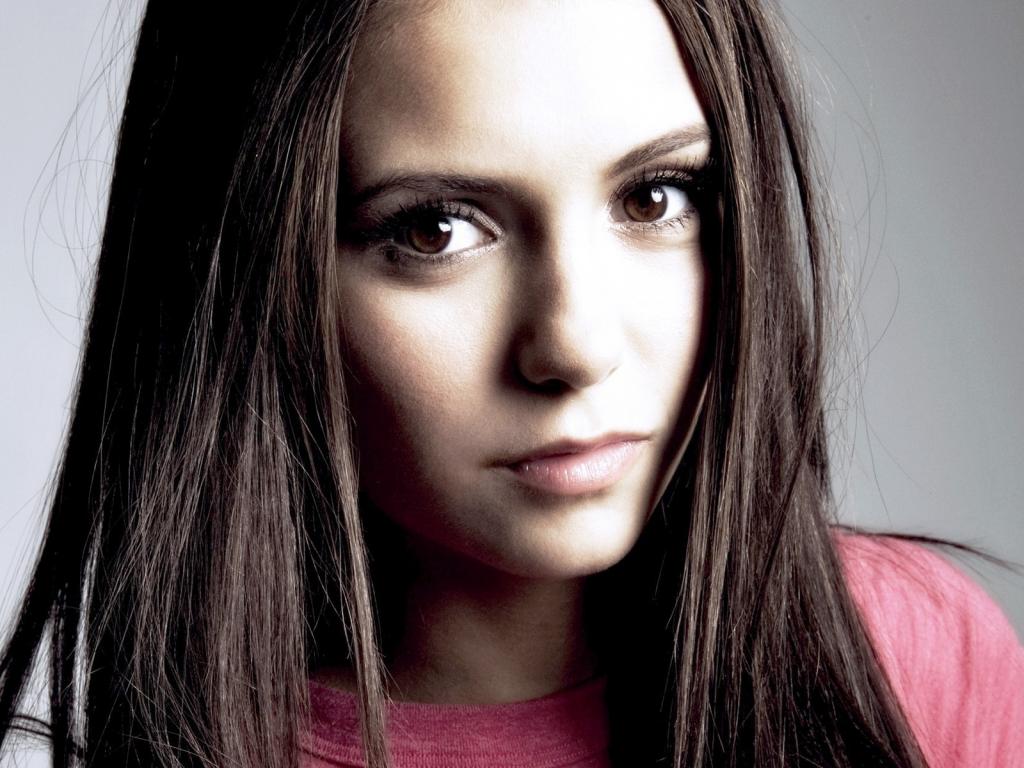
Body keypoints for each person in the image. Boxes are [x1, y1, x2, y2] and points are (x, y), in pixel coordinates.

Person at [1, 1, 1021, 767]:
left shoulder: (909, 655)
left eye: (656, 197)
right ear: (243, 276)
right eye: (435, 230)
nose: (574, 346)